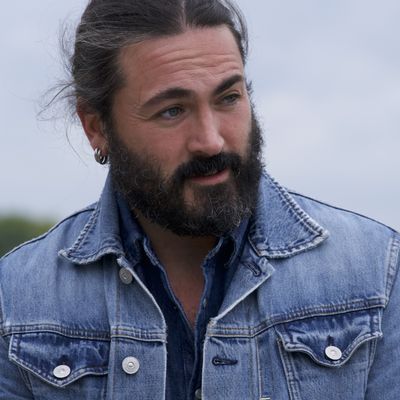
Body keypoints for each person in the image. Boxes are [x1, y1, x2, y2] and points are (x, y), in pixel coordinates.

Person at [0, 0, 399, 399]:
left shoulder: (376, 272)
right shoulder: (16, 299)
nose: (210, 141)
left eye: (228, 98)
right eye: (172, 111)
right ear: (96, 127)